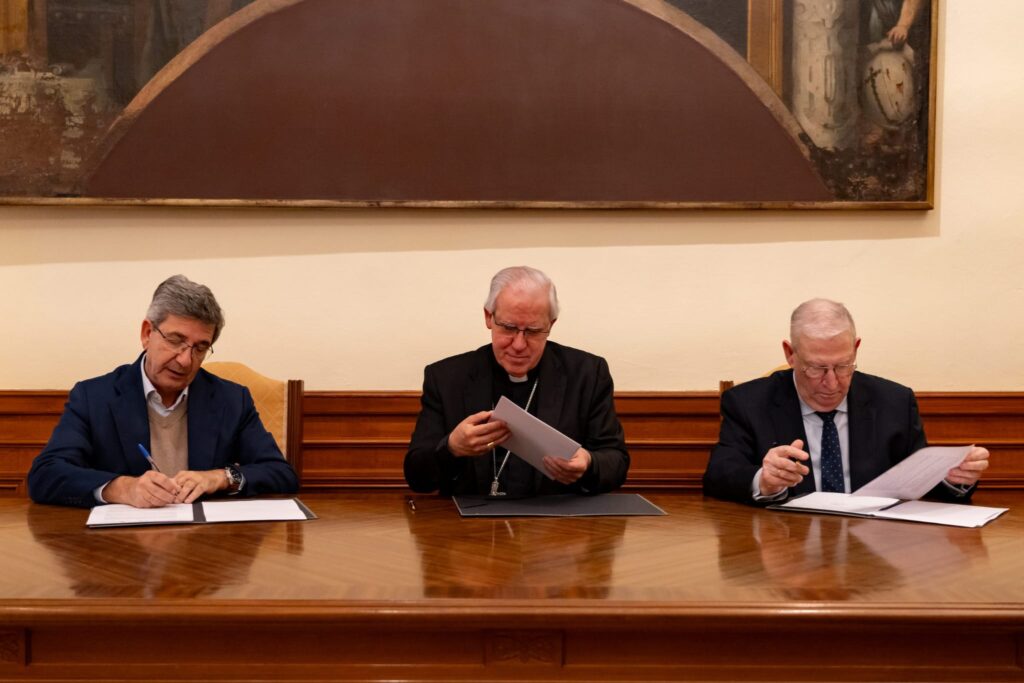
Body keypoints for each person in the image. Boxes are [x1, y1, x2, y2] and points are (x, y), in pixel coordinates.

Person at [28, 275, 298, 508]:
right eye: (176, 340)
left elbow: (281, 473)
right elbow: (45, 475)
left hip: (207, 544)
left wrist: (220, 477)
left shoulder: (232, 400)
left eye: (200, 348)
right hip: (119, 547)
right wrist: (122, 488)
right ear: (147, 333)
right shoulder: (93, 397)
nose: (185, 360)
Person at [703, 298, 988, 505]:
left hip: (875, 549)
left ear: (856, 348)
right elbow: (719, 475)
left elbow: (922, 482)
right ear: (790, 354)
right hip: (786, 545)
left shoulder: (894, 402)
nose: (832, 383)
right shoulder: (748, 403)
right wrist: (764, 480)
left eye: (843, 366)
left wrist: (954, 477)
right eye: (816, 368)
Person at [404, 266, 629, 497]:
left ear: (551, 324)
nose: (519, 344)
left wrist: (588, 463)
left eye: (533, 331)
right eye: (509, 328)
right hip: (470, 518)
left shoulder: (587, 374)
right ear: (488, 317)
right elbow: (416, 477)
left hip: (557, 517)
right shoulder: (446, 378)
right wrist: (452, 448)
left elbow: (616, 462)